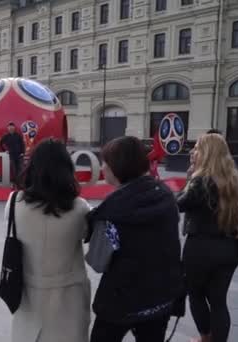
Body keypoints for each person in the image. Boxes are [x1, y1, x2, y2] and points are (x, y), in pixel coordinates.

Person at [87, 136, 184, 342]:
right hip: (161, 297)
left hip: (121, 300)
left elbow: (98, 261)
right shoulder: (165, 195)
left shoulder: (114, 208)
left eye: (106, 162)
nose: (103, 167)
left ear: (118, 167)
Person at [6, 139, 91, 342]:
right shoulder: (80, 208)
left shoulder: (14, 203)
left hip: (27, 292)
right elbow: (88, 236)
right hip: (69, 296)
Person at [178, 134, 238, 342]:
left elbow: (178, 204)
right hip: (230, 247)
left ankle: (205, 337)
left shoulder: (201, 182)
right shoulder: (236, 180)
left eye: (197, 148)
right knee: (218, 301)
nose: (192, 152)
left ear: (207, 153)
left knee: (195, 295)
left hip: (200, 248)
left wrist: (190, 178)